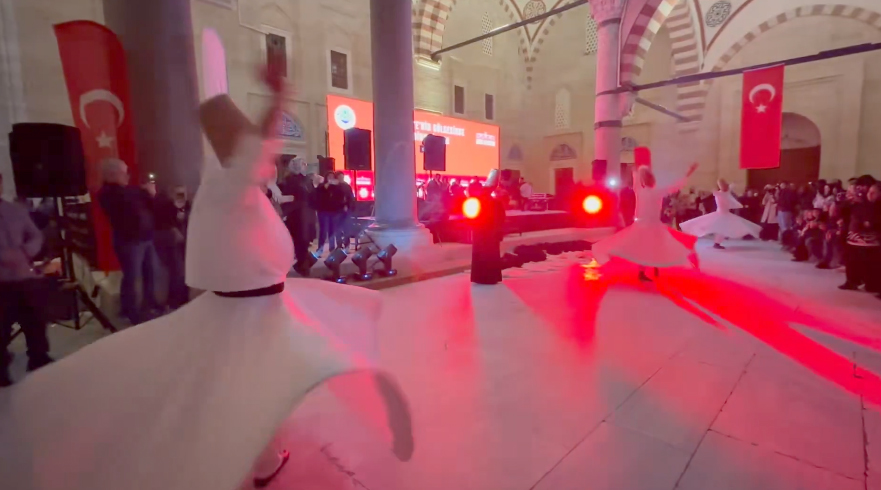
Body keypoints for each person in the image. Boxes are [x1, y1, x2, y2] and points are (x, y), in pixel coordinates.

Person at [0, 54, 413, 490]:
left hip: (256, 308)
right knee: (255, 385)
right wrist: (278, 97)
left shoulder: (231, 187)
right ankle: (253, 458)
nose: (271, 160)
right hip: (248, 315)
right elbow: (255, 152)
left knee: (262, 381)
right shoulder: (231, 183)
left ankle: (261, 454)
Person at [592, 163, 700, 282]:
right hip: (651, 225)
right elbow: (675, 186)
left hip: (643, 225)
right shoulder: (656, 191)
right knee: (653, 246)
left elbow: (639, 182)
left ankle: (646, 270)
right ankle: (653, 268)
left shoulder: (641, 191)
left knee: (644, 247)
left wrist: (635, 172)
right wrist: (688, 172)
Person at [0, 174, 53, 387]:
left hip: (23, 276)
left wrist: (26, 251)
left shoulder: (15, 211)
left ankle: (38, 358)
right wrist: (4, 256)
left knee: (35, 319)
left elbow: (36, 235)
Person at [97, 159, 161, 324]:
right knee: (133, 278)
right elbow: (128, 200)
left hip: (145, 238)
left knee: (150, 273)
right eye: (124, 173)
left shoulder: (129, 192)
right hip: (129, 242)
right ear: (112, 174)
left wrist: (149, 194)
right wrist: (146, 191)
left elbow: (148, 204)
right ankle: (133, 313)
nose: (127, 176)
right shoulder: (108, 193)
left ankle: (148, 306)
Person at [680, 179, 762, 249]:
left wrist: (734, 184)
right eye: (723, 185)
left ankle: (718, 242)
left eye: (725, 184)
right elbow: (711, 192)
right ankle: (716, 243)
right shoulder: (719, 194)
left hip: (725, 214)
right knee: (718, 227)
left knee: (733, 225)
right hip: (721, 214)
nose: (726, 186)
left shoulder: (725, 191)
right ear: (721, 186)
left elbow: (730, 188)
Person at [153, 186, 191, 310]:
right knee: (177, 270)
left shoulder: (186, 205)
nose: (181, 196)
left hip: (180, 240)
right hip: (173, 240)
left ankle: (178, 299)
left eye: (182, 194)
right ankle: (177, 300)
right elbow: (170, 221)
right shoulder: (168, 205)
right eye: (178, 193)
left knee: (178, 270)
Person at [279, 157, 317, 276]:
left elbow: (312, 196)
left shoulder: (307, 180)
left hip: (307, 213)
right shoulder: (289, 180)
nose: (305, 166)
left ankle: (303, 264)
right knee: (300, 240)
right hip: (297, 215)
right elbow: (288, 198)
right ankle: (303, 266)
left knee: (305, 241)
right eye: (303, 164)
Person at [470, 183, 507, 285]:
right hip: (492, 233)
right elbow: (502, 218)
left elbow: (472, 218)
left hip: (480, 233)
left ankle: (479, 278)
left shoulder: (477, 203)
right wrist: (500, 231)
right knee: (492, 255)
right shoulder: (497, 203)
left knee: (479, 255)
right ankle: (492, 277)